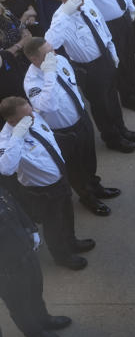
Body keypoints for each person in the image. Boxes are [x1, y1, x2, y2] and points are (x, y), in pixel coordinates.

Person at [23, 40, 120, 217]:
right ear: (34, 59)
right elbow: (49, 105)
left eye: (52, 50)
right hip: (63, 131)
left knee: (89, 157)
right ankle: (88, 197)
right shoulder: (32, 81)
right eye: (47, 54)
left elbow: (72, 86)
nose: (53, 56)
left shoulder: (60, 60)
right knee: (76, 168)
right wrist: (49, 73)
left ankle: (95, 186)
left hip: (80, 118)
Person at [44, 0, 135, 153]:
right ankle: (112, 138)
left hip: (105, 59)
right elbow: (50, 43)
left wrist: (112, 52)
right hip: (89, 69)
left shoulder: (86, 2)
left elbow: (101, 26)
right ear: (65, 0)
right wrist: (65, 13)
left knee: (112, 98)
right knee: (101, 105)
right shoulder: (60, 19)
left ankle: (121, 129)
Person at [0, 96, 94, 270]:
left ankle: (71, 242)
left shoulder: (32, 117)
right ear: (13, 121)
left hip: (60, 179)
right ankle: (62, 256)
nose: (33, 116)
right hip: (43, 191)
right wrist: (18, 136)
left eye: (31, 111)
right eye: (27, 116)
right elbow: (5, 168)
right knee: (53, 225)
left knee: (67, 214)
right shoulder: (6, 141)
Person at [0, 188, 73, 337]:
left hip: (25, 250)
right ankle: (35, 333)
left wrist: (31, 228)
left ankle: (43, 319)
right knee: (19, 303)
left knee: (35, 289)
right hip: (5, 268)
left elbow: (12, 203)